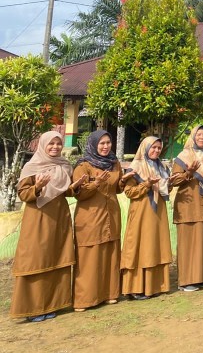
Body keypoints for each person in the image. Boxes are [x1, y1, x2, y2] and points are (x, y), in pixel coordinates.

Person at [10, 131, 84, 321]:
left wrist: (74, 187)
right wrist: (37, 187)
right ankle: (32, 308)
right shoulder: (32, 167)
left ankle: (53, 304)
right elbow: (24, 194)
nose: (55, 147)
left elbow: (62, 191)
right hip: (38, 219)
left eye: (58, 144)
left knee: (56, 257)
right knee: (36, 259)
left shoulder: (64, 165)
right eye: (51, 144)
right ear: (43, 145)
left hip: (59, 217)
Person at [72, 129, 123, 311]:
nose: (105, 146)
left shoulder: (114, 163)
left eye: (108, 143)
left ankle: (109, 294)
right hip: (90, 216)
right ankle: (84, 299)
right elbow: (79, 194)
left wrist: (125, 182)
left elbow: (117, 188)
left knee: (110, 254)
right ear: (94, 145)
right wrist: (95, 183)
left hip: (111, 214)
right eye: (101, 143)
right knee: (89, 257)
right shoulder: (83, 165)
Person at [171, 125, 203, 292]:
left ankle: (201, 277)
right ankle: (186, 281)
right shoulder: (183, 155)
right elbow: (174, 181)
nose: (202, 137)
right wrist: (188, 172)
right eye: (199, 134)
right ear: (193, 136)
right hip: (188, 203)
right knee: (188, 241)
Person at [120, 136, 172, 300]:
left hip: (158, 211)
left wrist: (171, 183)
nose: (156, 150)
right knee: (140, 246)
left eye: (158, 148)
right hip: (142, 211)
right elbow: (129, 192)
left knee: (155, 245)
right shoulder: (135, 167)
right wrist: (147, 184)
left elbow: (164, 189)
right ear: (145, 147)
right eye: (153, 147)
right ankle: (136, 287)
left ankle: (155, 285)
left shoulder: (161, 167)